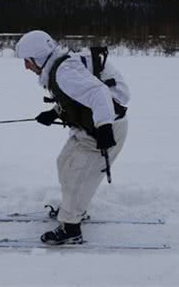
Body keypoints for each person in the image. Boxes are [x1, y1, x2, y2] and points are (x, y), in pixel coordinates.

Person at [15, 30, 130, 245]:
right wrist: (55, 112)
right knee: (65, 165)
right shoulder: (61, 68)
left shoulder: (64, 72)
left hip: (105, 130)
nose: (26, 67)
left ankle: (71, 228)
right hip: (88, 129)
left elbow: (98, 93)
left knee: (78, 176)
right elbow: (78, 97)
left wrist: (104, 127)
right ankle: (74, 208)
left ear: (38, 58)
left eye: (28, 61)